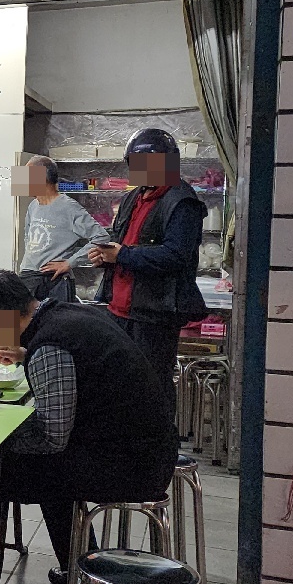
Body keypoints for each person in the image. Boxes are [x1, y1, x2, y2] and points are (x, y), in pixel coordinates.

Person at [0, 269, 178, 584]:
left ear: (4, 315)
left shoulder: (50, 346)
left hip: (127, 466)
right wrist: (28, 355)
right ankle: (81, 574)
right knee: (48, 472)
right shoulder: (66, 315)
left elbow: (51, 438)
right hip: (146, 450)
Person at [88, 128, 208, 423]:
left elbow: (176, 255)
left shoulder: (182, 202)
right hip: (119, 310)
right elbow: (121, 239)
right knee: (121, 386)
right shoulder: (134, 198)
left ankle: (159, 455)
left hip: (154, 315)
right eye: (135, 164)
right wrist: (106, 257)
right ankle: (129, 453)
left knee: (152, 387)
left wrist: (123, 255)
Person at [16, 155, 109, 303]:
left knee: (57, 324)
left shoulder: (69, 208)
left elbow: (101, 237)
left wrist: (70, 263)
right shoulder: (33, 206)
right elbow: (28, 238)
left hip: (55, 281)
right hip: (29, 278)